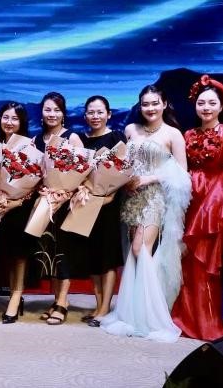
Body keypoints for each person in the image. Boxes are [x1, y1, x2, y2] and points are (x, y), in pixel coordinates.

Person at [100, 85, 191, 342]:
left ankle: (152, 317)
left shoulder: (173, 134)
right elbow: (123, 162)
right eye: (145, 104)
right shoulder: (131, 130)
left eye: (154, 103)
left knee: (141, 249)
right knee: (134, 252)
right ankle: (131, 313)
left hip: (155, 198)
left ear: (164, 104)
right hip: (131, 198)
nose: (150, 108)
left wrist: (149, 178)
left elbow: (183, 174)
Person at [171, 75, 223, 341]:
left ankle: (208, 324)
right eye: (201, 103)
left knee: (206, 265)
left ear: (221, 106)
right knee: (187, 262)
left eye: (212, 103)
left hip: (213, 203)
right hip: (189, 198)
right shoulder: (188, 134)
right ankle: (186, 319)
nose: (206, 108)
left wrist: (212, 207)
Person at [30, 91, 85, 326]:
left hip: (65, 204)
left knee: (64, 253)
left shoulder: (72, 138)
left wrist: (66, 193)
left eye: (57, 110)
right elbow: (31, 173)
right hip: (44, 203)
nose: (52, 114)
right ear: (41, 112)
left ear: (63, 113)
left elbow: (83, 171)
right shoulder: (36, 140)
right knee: (48, 253)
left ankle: (63, 301)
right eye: (48, 109)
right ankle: (55, 300)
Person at [77, 95, 127, 326]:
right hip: (87, 204)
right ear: (85, 115)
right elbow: (76, 172)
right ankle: (98, 304)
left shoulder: (116, 137)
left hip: (109, 205)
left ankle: (105, 307)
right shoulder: (81, 140)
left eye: (100, 112)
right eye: (91, 112)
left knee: (107, 258)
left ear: (108, 114)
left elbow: (123, 171)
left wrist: (110, 195)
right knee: (92, 256)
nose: (95, 116)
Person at [0, 101, 34, 324]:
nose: (9, 122)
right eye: (5, 117)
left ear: (22, 122)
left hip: (20, 208)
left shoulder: (30, 146)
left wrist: (16, 202)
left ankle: (16, 297)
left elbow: (36, 180)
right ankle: (12, 295)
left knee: (19, 255)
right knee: (7, 253)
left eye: (14, 118)